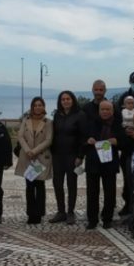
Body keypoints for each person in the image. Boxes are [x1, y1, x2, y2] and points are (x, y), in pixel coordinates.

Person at [84, 100, 125, 229]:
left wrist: (117, 141)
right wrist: (88, 141)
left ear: (112, 111)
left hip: (109, 163)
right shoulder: (91, 123)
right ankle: (92, 219)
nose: (105, 112)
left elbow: (125, 142)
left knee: (110, 193)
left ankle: (107, 219)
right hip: (93, 163)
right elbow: (83, 141)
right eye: (103, 109)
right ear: (99, 110)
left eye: (108, 109)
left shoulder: (118, 124)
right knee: (92, 193)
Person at [15, 97, 53, 225]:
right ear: (32, 107)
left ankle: (39, 213)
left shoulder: (48, 122)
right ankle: (31, 214)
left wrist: (35, 151)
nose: (38, 107)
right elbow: (20, 136)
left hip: (40, 158)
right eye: (35, 105)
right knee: (29, 187)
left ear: (44, 107)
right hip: (28, 157)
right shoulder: (26, 120)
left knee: (40, 186)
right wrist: (27, 151)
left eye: (40, 105)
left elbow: (49, 140)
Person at [50, 91, 86, 224]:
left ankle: (70, 212)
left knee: (72, 184)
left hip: (72, 155)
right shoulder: (57, 115)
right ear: (60, 102)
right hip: (57, 155)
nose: (65, 101)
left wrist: (80, 156)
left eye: (68, 99)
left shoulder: (80, 115)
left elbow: (83, 137)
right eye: (63, 99)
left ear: (73, 100)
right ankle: (61, 211)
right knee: (57, 183)